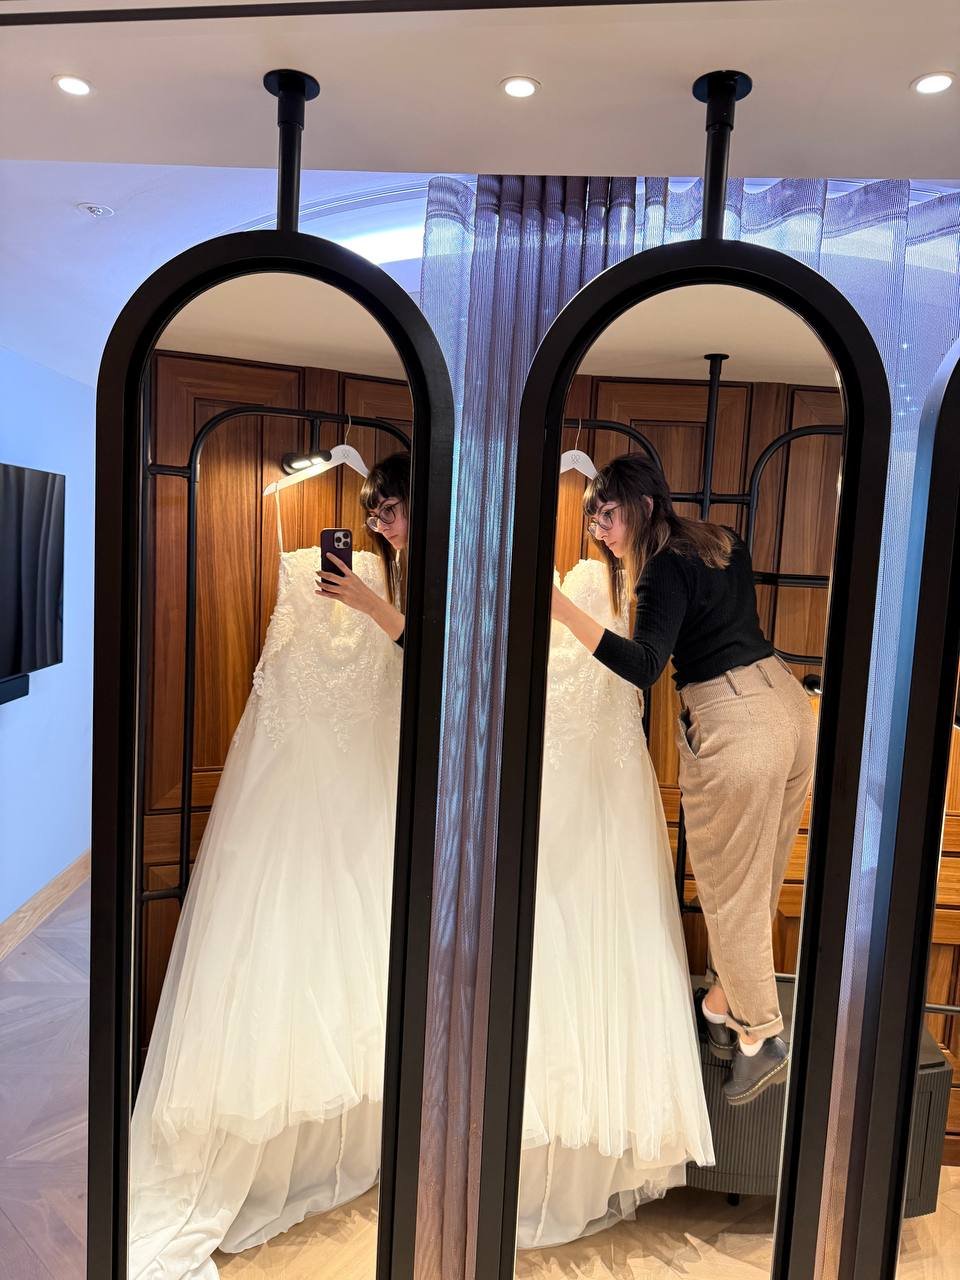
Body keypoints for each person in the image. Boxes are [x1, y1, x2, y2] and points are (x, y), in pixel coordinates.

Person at [550, 451, 817, 1105]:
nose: (601, 532)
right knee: (757, 879)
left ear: (643, 506)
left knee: (729, 893)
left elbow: (645, 666)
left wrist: (559, 609)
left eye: (608, 516)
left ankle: (761, 1036)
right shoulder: (722, 539)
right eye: (593, 521)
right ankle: (724, 1002)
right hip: (788, 707)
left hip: (736, 722)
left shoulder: (660, 569)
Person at [316, 450, 408, 644]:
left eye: (388, 509)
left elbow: (423, 643)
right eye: (375, 517)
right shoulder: (401, 559)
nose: (381, 527)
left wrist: (369, 602)